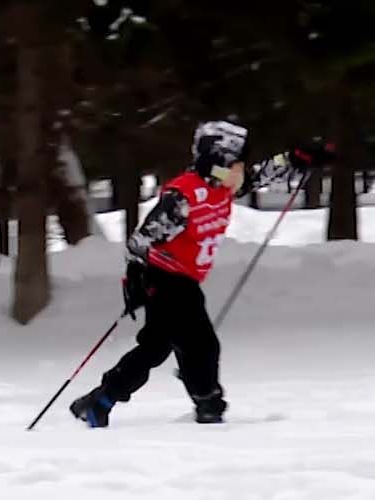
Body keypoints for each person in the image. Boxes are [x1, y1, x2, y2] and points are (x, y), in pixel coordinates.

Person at [68, 122, 329, 427]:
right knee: (201, 344)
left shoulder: (222, 185)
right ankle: (208, 403)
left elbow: (257, 176)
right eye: (236, 162)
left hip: (183, 280)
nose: (241, 169)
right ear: (218, 160)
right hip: (166, 280)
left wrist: (295, 159)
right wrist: (135, 281)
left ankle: (101, 400)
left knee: (157, 347)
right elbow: (141, 241)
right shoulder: (184, 196)